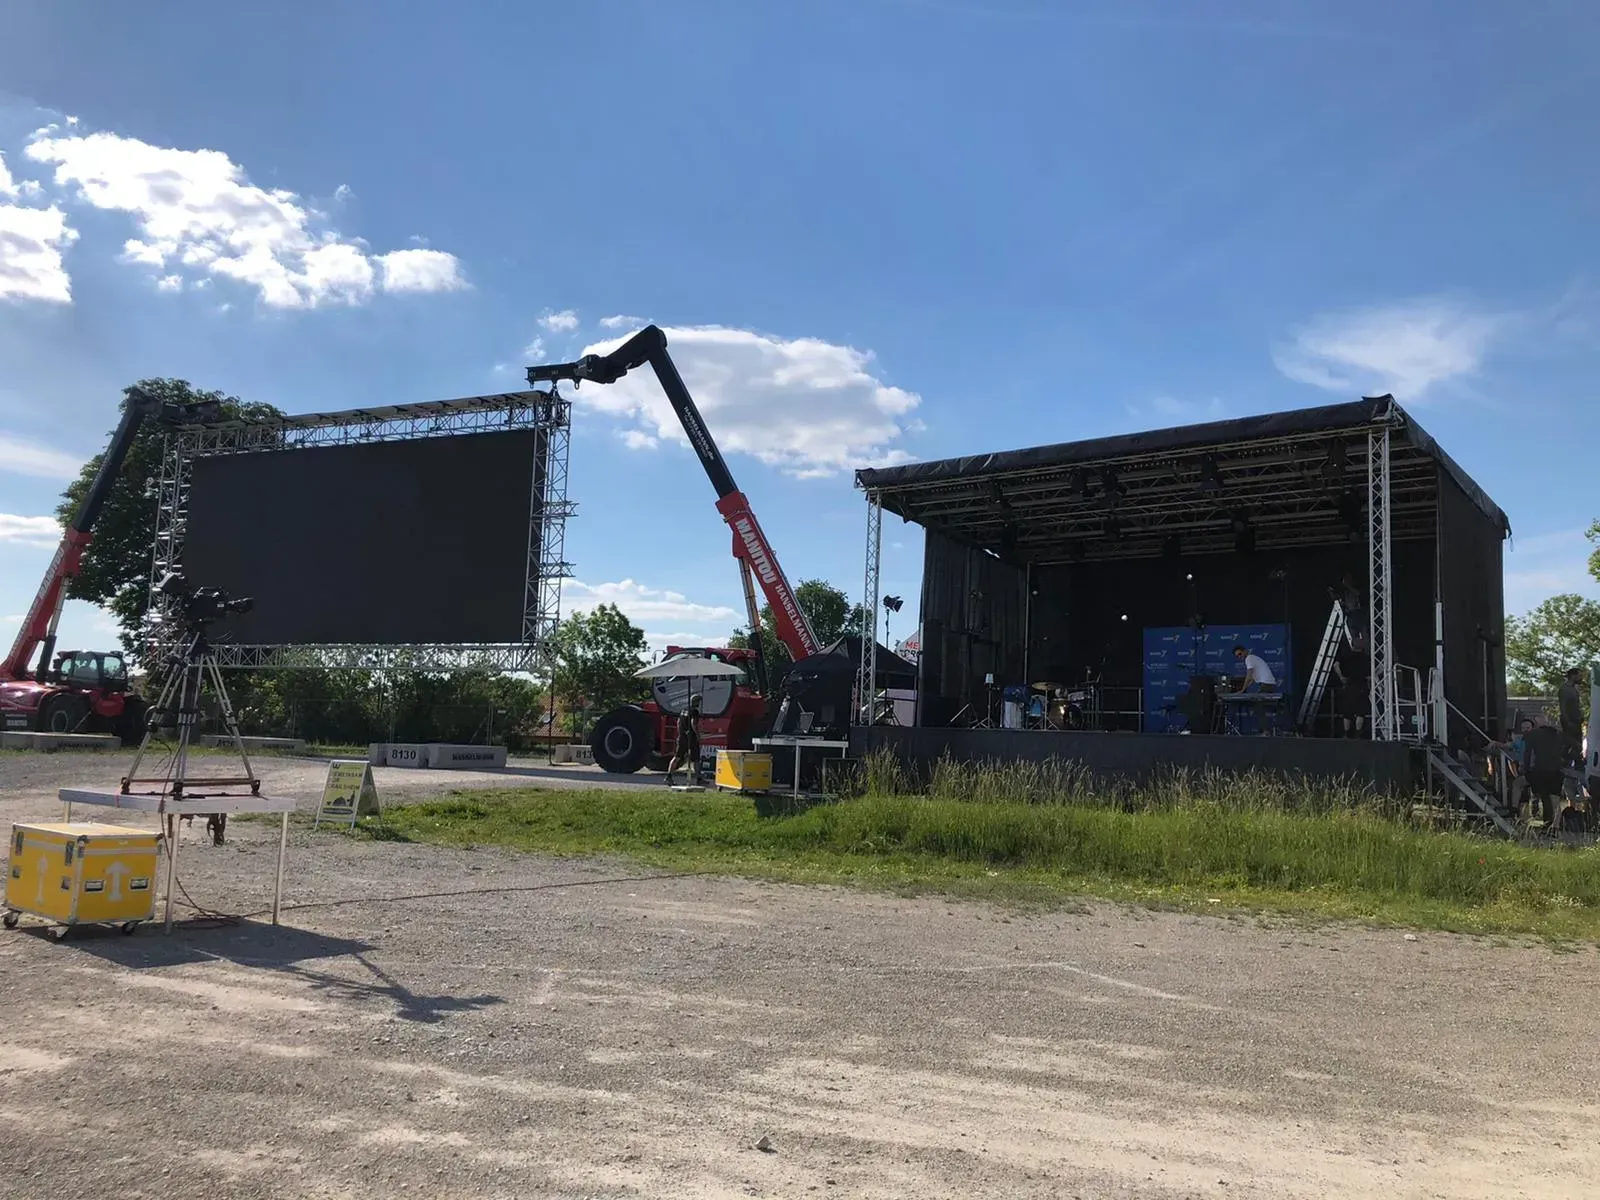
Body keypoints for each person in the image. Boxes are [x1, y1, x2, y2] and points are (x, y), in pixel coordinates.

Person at [1521, 716, 1568, 827]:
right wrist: (1564, 761)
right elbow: (1572, 748)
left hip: (1540, 770)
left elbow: (1527, 754)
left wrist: (1527, 770)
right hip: (1556, 771)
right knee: (1555, 800)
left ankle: (1528, 819)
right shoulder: (1559, 735)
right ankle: (1555, 826)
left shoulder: (1533, 735)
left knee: (1544, 797)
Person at [664, 693, 702, 787]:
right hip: (691, 738)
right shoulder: (694, 711)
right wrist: (697, 734)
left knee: (677, 757)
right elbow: (693, 723)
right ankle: (699, 779)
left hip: (682, 736)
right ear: (696, 702)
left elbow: (678, 722)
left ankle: (669, 776)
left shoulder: (683, 710)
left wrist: (681, 732)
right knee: (696, 759)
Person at [1558, 667, 1586, 771]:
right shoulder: (1565, 689)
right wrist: (1567, 721)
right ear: (1573, 676)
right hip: (1570, 721)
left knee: (1577, 745)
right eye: (1579, 675)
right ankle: (1562, 761)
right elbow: (1563, 707)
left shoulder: (1574, 689)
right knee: (1574, 744)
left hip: (1576, 720)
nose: (1581, 678)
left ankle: (1577, 764)